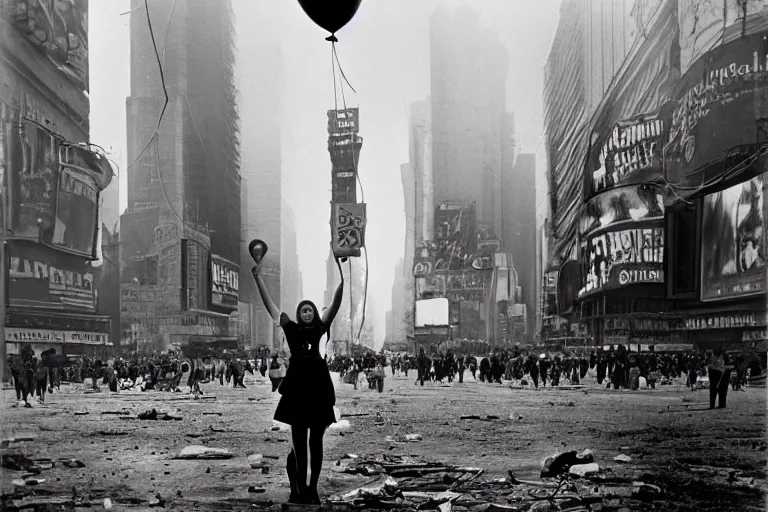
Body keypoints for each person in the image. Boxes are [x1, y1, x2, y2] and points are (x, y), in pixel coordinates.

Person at [252, 245, 344, 504]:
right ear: (298, 315)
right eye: (303, 310)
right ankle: (299, 488)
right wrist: (257, 278)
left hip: (317, 387)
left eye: (310, 310)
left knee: (316, 441)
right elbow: (272, 309)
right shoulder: (290, 329)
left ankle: (312, 488)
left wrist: (343, 281)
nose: (307, 313)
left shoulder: (321, 328)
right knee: (298, 443)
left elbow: (335, 306)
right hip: (296, 389)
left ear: (315, 314)